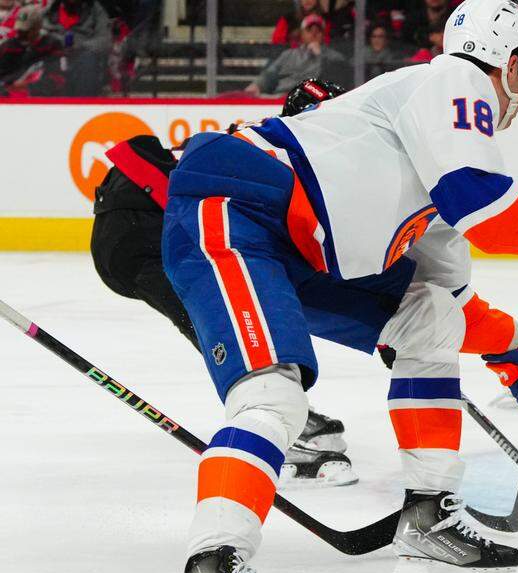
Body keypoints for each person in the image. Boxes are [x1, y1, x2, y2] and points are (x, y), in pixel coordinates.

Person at [165, 1, 518, 573]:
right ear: (510, 64)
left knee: (426, 318)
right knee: (274, 396)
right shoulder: (452, 80)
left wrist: (516, 349)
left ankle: (426, 525)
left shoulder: (429, 161)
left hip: (300, 240)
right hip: (237, 206)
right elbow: (481, 199)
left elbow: (448, 307)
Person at [90, 80, 358, 491]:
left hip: (136, 224)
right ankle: (272, 429)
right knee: (230, 319)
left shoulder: (265, 138)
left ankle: (278, 414)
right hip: (143, 228)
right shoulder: (285, 152)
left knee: (235, 315)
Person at [245, 14, 347, 96]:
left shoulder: (334, 57)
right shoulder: (288, 54)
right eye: (309, 30)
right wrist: (257, 85)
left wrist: (320, 55)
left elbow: (338, 81)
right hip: (280, 98)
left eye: (318, 30)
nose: (314, 34)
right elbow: (269, 75)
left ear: (323, 34)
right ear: (302, 34)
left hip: (311, 100)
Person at [42, 0, 111, 95]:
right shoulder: (49, 11)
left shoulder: (96, 11)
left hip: (83, 65)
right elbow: (39, 34)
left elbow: (104, 41)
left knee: (88, 60)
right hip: (53, 62)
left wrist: (80, 47)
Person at [0, 6, 65, 96]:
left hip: (40, 98)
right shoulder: (8, 46)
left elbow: (58, 77)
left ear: (37, 27)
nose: (21, 34)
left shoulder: (52, 44)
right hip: (9, 97)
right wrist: (8, 86)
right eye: (19, 30)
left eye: (26, 31)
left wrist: (29, 86)